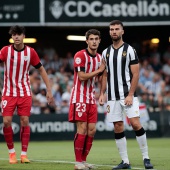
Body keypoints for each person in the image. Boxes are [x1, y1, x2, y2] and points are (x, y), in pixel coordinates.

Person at [99, 20, 153, 170]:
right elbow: (104, 75)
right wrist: (102, 93)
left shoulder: (130, 50)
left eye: (117, 29)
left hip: (127, 95)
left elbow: (136, 74)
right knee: (117, 126)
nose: (114, 31)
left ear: (122, 31)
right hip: (112, 97)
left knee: (135, 123)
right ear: (109, 32)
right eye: (112, 29)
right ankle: (125, 161)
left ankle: (146, 157)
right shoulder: (105, 52)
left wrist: (130, 94)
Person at [0, 25, 53, 164]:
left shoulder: (31, 52)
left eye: (18, 34)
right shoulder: (5, 51)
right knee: (6, 121)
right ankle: (12, 153)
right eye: (13, 34)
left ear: (24, 36)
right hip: (8, 92)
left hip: (24, 92)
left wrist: (49, 90)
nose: (16, 37)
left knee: (24, 120)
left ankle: (23, 155)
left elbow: (41, 70)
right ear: (11, 37)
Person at [68, 29, 105, 170]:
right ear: (87, 41)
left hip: (91, 98)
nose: (94, 41)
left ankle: (83, 161)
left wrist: (102, 93)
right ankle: (78, 163)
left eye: (96, 39)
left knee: (92, 130)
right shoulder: (80, 55)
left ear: (99, 40)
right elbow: (82, 76)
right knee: (82, 128)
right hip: (79, 97)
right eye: (91, 39)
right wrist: (99, 70)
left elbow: (102, 77)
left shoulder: (100, 58)